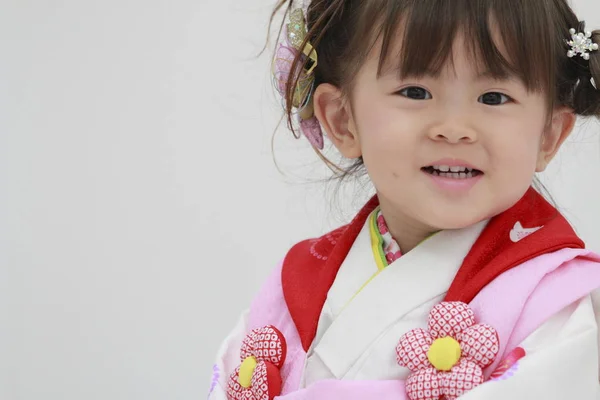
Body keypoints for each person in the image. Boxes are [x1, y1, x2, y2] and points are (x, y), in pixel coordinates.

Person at [209, 0, 600, 398]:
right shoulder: (295, 284)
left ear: (550, 134)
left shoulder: (553, 304)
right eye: (415, 92)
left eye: (494, 98)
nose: (454, 129)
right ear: (343, 120)